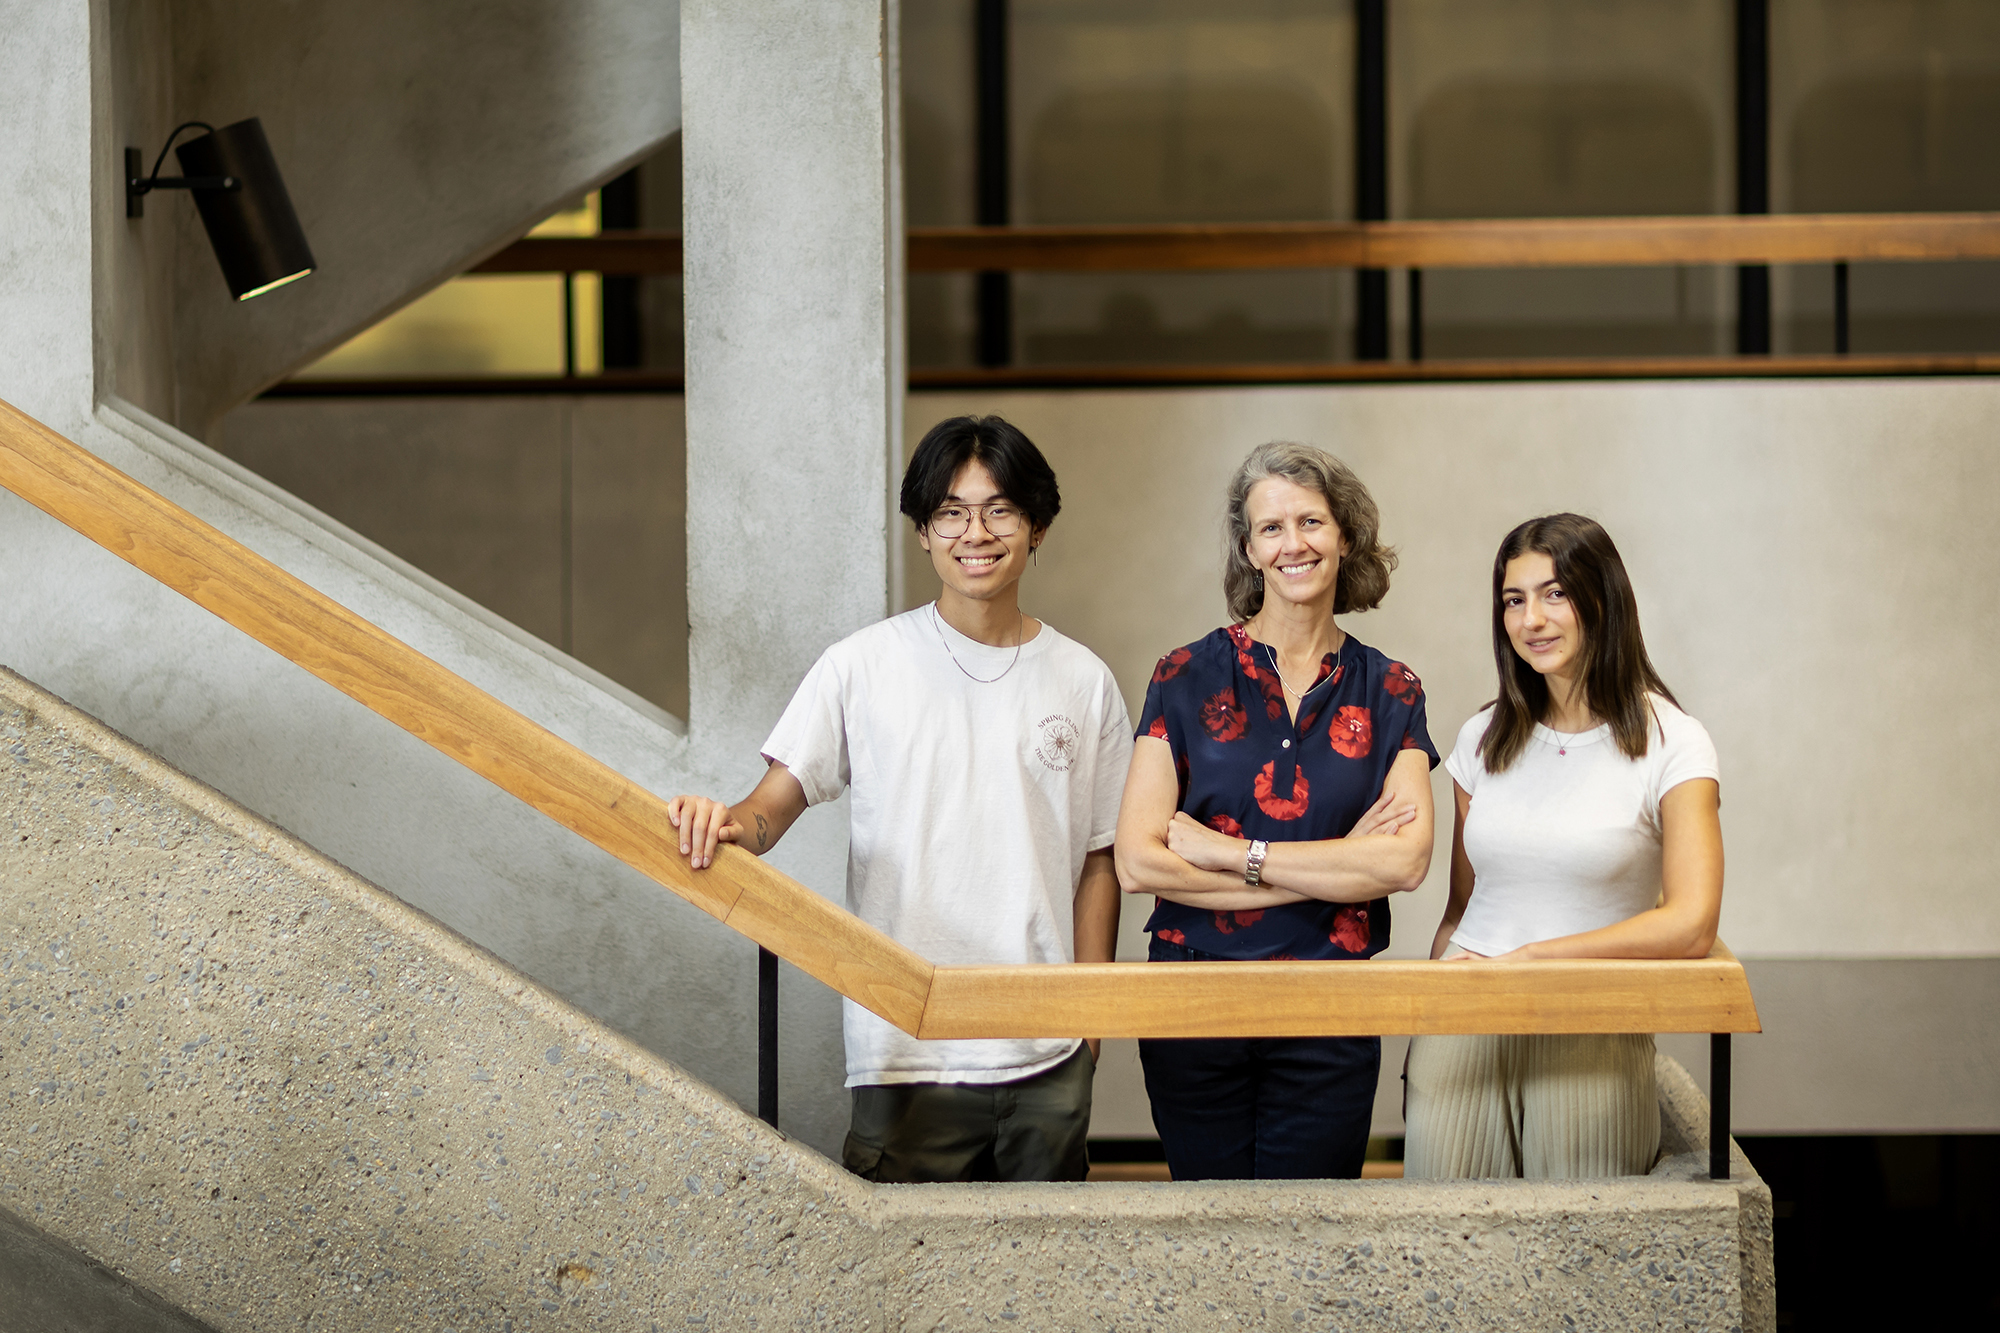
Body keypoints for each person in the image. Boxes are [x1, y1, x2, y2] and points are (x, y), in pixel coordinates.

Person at [665, 415, 1130, 1184]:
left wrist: (1089, 1026)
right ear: (923, 530)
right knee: (910, 1296)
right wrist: (725, 824)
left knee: (1045, 1290)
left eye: (999, 508)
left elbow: (1099, 861)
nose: (974, 531)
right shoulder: (863, 665)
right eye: (950, 511)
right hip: (905, 1045)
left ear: (1036, 524)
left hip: (1046, 1055)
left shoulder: (1083, 680)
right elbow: (767, 810)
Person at [1113, 441, 1438, 1181]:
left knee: (1315, 1241)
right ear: (1249, 549)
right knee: (1209, 1229)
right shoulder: (1183, 674)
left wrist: (1231, 853)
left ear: (1344, 535)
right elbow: (1138, 858)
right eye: (1271, 528)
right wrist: (1332, 868)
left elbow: (1403, 861)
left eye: (1312, 521)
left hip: (1331, 1004)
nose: (1293, 543)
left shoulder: (1391, 689)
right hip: (1193, 1000)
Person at [1404, 513, 1724, 1180]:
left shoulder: (1675, 740)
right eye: (1514, 600)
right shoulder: (1482, 738)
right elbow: (1462, 908)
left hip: (1593, 1016)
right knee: (1441, 1249)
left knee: (1580, 1259)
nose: (1532, 620)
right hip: (1465, 1019)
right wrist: (1429, 1018)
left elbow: (1691, 923)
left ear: (1602, 600)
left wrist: (1535, 959)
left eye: (1555, 593)